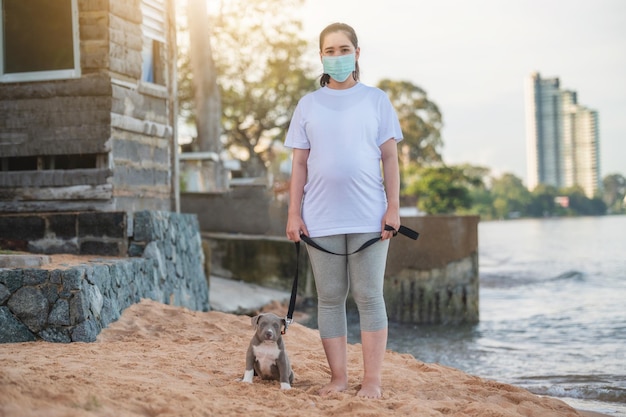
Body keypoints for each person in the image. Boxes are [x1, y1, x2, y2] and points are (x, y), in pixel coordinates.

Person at [284, 22, 403, 399]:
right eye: (329, 51)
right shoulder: (308, 104)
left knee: (369, 296)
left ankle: (372, 382)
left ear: (356, 53)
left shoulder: (376, 100)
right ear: (321, 56)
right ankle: (338, 379)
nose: (337, 56)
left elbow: (390, 158)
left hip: (370, 216)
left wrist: (393, 208)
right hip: (320, 217)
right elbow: (299, 165)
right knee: (331, 297)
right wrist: (293, 213)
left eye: (343, 49)